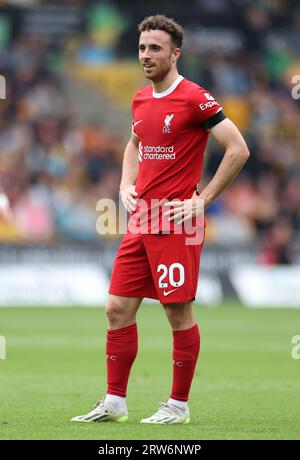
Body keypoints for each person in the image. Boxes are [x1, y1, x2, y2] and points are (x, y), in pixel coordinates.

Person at [72, 15, 249, 425]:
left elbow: (237, 148)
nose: (146, 55)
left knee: (177, 314)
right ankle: (114, 402)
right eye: (141, 48)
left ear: (175, 53)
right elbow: (133, 144)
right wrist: (124, 185)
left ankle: (178, 406)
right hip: (142, 220)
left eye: (155, 48)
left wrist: (202, 200)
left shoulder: (194, 98)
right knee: (117, 307)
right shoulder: (140, 99)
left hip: (176, 221)